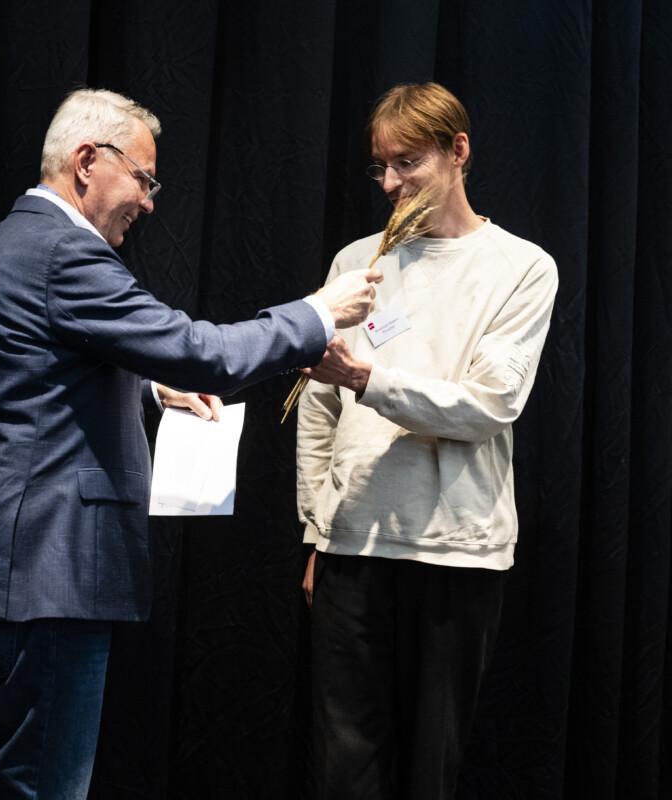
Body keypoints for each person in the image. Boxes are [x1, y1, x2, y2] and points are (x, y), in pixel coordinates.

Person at [0, 87, 381, 800]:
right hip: (48, 571)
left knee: (31, 775)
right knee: (45, 786)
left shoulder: (16, 239)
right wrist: (317, 312)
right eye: (144, 179)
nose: (149, 202)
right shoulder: (62, 252)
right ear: (87, 161)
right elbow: (198, 350)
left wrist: (150, 391)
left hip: (24, 566)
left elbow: (41, 372)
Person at [296, 81, 559, 799]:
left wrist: (367, 378)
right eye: (380, 167)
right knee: (343, 763)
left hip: (455, 550)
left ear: (458, 152)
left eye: (407, 162)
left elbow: (489, 405)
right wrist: (317, 533)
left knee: (430, 766)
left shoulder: (522, 268)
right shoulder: (359, 263)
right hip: (354, 548)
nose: (390, 183)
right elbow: (320, 408)